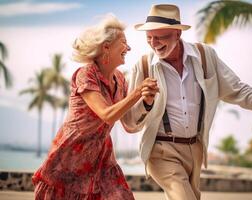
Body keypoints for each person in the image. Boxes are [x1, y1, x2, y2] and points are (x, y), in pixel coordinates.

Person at [122, 4, 252, 200]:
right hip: (161, 151)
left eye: (160, 37)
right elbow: (129, 121)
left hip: (195, 148)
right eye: (149, 38)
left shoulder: (205, 56)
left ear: (177, 34)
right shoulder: (144, 66)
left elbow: (236, 88)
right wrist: (145, 103)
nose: (154, 43)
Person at [32, 14, 159, 199]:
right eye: (124, 42)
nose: (129, 48)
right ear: (106, 47)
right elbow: (106, 114)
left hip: (102, 157)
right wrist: (138, 91)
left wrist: (147, 101)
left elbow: (128, 124)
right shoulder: (86, 74)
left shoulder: (120, 79)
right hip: (71, 156)